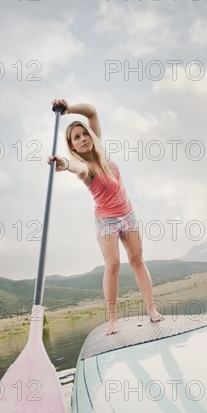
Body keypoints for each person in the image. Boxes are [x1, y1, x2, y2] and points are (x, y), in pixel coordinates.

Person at [47, 99, 164, 335]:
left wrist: (68, 109)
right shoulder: (85, 168)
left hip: (128, 214)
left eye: (83, 134)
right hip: (106, 220)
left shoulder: (100, 148)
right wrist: (63, 162)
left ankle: (152, 310)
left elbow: (91, 111)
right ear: (72, 147)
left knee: (138, 260)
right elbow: (75, 167)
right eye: (76, 138)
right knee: (112, 266)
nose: (82, 139)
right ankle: (112, 321)